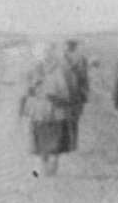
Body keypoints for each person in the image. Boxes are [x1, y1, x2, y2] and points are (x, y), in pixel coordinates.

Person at [21, 42, 72, 177]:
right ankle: (48, 170)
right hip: (47, 112)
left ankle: (48, 170)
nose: (46, 56)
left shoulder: (56, 70)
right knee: (48, 142)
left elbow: (65, 95)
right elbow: (27, 92)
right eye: (44, 53)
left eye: (48, 53)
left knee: (47, 142)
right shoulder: (57, 70)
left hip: (47, 112)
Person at [62, 39, 90, 152]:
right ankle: (74, 144)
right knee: (75, 119)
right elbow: (85, 77)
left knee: (64, 117)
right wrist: (86, 92)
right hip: (77, 92)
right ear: (75, 46)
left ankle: (67, 143)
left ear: (67, 45)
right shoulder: (82, 58)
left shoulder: (61, 58)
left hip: (64, 92)